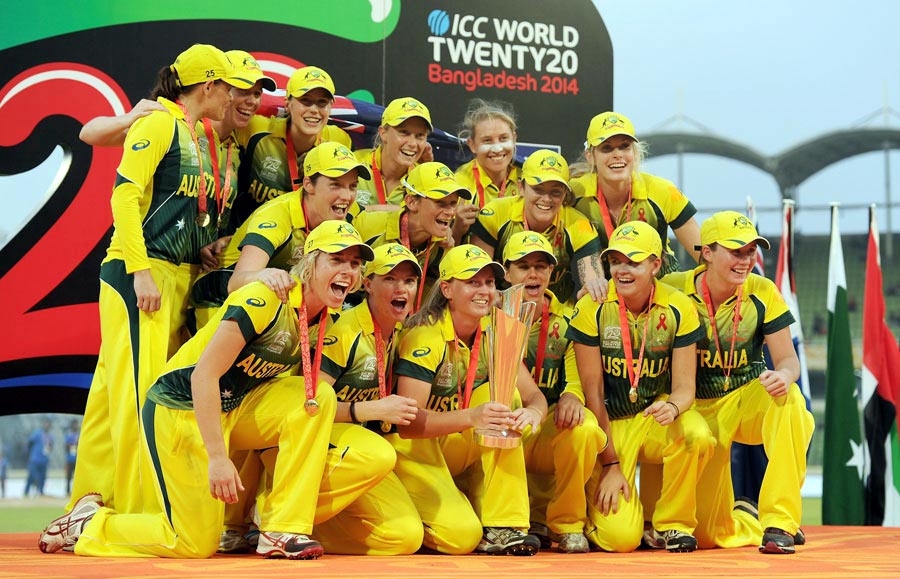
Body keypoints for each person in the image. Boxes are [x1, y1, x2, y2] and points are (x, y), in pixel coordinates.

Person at [38, 220, 375, 559]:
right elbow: (203, 376)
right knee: (191, 544)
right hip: (181, 408)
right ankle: (89, 525)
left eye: (355, 264)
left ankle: (282, 527)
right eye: (336, 259)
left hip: (233, 407)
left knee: (316, 396)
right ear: (309, 262)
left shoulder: (321, 318)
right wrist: (217, 457)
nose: (347, 270)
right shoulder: (266, 298)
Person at [67, 44, 252, 516]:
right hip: (140, 274)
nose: (232, 95)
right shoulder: (157, 122)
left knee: (113, 388)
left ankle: (91, 500)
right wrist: (141, 272)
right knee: (138, 394)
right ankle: (135, 508)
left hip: (172, 273)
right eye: (228, 86)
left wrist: (198, 248)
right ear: (208, 86)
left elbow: (171, 209)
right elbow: (124, 198)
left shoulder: (194, 132)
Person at [661, 211, 815, 554]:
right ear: (707, 252)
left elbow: (789, 361)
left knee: (791, 404)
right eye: (735, 251)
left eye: (750, 251)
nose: (745, 260)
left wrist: (784, 375)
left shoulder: (762, 291)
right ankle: (749, 517)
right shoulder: (674, 290)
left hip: (744, 398)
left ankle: (780, 523)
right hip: (694, 409)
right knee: (707, 536)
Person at [392, 244, 548, 555]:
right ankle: (423, 510)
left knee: (508, 396)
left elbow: (533, 395)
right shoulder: (425, 336)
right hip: (418, 452)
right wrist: (472, 417)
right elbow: (408, 426)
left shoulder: (497, 329)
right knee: (461, 537)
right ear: (447, 289)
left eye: (489, 283)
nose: (485, 291)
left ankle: (505, 525)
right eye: (472, 282)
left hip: (458, 443)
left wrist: (534, 414)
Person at [567, 220, 713, 553]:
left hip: (650, 417)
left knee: (696, 434)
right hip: (608, 424)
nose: (622, 270)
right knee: (619, 541)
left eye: (633, 261)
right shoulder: (593, 306)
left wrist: (674, 407)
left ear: (656, 264)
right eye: (616, 261)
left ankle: (672, 525)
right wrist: (611, 465)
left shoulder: (679, 307)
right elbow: (593, 396)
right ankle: (595, 516)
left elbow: (685, 387)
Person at [311, 243, 425, 555]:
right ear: (368, 283)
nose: (400, 288)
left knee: (405, 537)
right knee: (380, 454)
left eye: (409, 281)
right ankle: (273, 511)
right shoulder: (344, 330)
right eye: (390, 278)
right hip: (323, 442)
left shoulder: (402, 334)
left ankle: (313, 529)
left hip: (366, 449)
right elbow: (308, 408)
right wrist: (371, 409)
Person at [189, 140, 368, 333]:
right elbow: (236, 283)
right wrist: (263, 275)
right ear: (308, 184)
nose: (347, 196)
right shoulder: (277, 215)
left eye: (352, 187)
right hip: (217, 301)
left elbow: (376, 213)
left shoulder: (345, 217)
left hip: (275, 311)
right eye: (335, 185)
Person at [502, 231, 606, 554]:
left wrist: (572, 396)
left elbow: (576, 378)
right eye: (523, 266)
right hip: (505, 428)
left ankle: (568, 523)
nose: (533, 274)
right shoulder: (492, 317)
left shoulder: (567, 319)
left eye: (541, 266)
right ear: (506, 272)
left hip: (543, 427)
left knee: (585, 427)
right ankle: (506, 520)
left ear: (551, 272)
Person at [570, 111, 701, 276]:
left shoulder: (662, 191)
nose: (617, 154)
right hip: (606, 290)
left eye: (625, 146)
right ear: (590, 156)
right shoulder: (574, 193)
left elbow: (702, 252)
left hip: (661, 285)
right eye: (607, 148)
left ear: (635, 153)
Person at [469, 149, 605, 305]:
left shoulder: (578, 225)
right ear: (521, 187)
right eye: (538, 190)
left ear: (565, 194)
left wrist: (594, 286)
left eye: (555, 192)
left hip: (556, 316)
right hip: (502, 308)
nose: (546, 199)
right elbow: (478, 278)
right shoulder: (495, 214)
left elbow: (593, 281)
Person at [230, 65, 351, 232]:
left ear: (330, 108)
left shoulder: (338, 142)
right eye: (305, 101)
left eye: (322, 103)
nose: (314, 110)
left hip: (303, 247)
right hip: (248, 240)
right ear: (287, 104)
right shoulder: (256, 130)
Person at [352, 161, 472, 311]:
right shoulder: (369, 226)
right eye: (440, 203)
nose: (450, 212)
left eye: (453, 203)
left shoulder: (442, 246)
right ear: (412, 202)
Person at [452, 99, 521, 241]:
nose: (497, 149)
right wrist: (457, 229)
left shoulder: (527, 179)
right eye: (487, 141)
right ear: (472, 145)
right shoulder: (458, 184)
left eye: (503, 138)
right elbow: (441, 248)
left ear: (514, 138)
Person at [354, 97, 432, 210]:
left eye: (420, 136)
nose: (412, 143)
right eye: (404, 133)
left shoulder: (426, 182)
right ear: (383, 133)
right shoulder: (353, 164)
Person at [24, 419, 54, 497]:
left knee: (43, 477)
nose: (47, 425)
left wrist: (49, 448)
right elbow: (30, 443)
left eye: (48, 424)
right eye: (45, 423)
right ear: (43, 424)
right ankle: (26, 492)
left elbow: (51, 447)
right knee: (33, 476)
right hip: (35, 459)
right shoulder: (37, 433)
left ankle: (40, 492)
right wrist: (28, 454)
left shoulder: (50, 436)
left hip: (44, 459)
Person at [64, 419, 80, 496]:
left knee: (77, 477)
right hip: (70, 459)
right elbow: (66, 447)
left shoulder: (80, 435)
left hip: (78, 459)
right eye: (74, 424)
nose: (76, 426)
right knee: (68, 477)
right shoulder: (69, 435)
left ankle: (76, 492)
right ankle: (67, 491)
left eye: (76, 424)